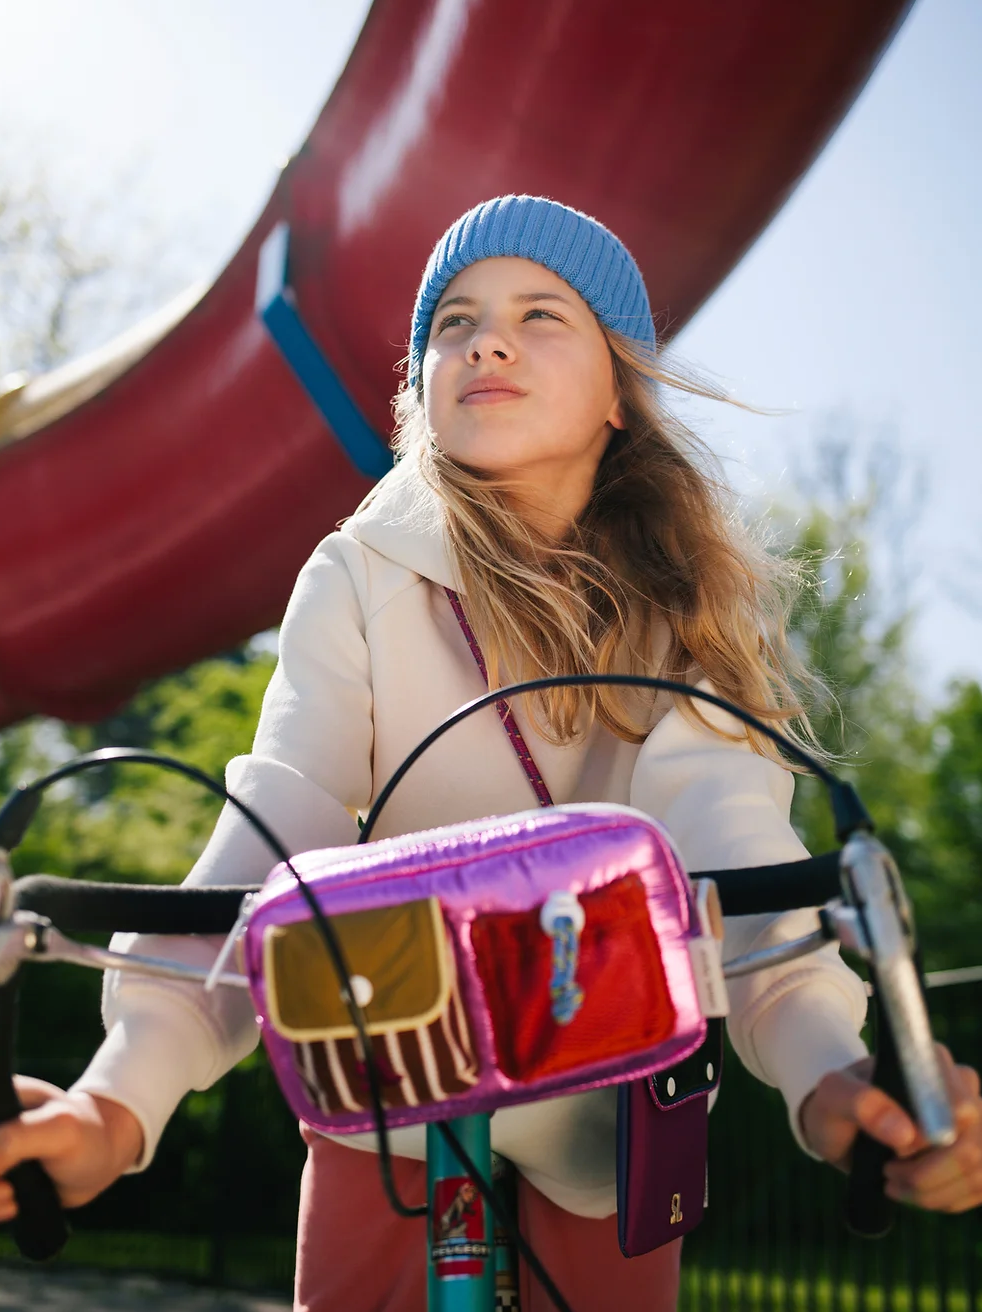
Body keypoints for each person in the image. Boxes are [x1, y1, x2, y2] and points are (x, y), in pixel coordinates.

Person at [1, 196, 979, 1311]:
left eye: (539, 314)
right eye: (452, 321)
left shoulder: (691, 608)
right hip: (392, 1080)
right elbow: (273, 841)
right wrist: (112, 1102)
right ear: (421, 391)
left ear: (622, 394)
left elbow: (735, 855)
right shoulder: (357, 573)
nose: (487, 339)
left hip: (614, 1097)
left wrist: (836, 1079)